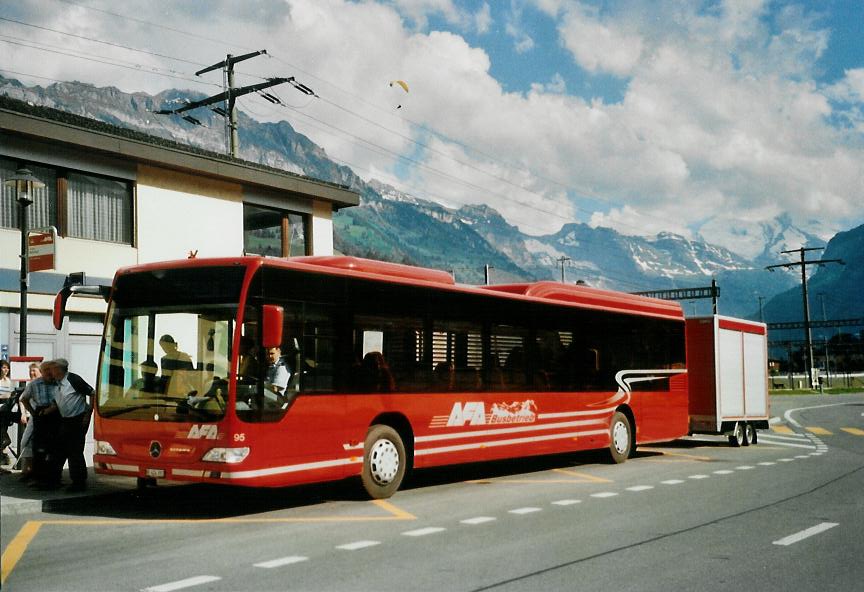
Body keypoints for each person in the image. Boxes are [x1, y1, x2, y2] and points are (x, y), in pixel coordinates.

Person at [48, 358, 94, 492]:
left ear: (59, 369)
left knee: (75, 451)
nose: (51, 372)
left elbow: (92, 393)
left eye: (52, 369)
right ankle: (54, 479)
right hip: (66, 419)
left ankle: (79, 483)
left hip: (78, 419)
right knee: (60, 449)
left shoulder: (73, 379)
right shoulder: (57, 382)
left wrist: (89, 413)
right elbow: (59, 401)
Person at [19, 361, 60, 486]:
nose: (49, 373)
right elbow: (23, 399)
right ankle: (38, 477)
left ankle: (53, 478)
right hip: (41, 413)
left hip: (55, 414)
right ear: (42, 372)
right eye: (46, 370)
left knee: (54, 447)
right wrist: (33, 413)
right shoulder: (34, 384)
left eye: (51, 370)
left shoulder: (58, 383)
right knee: (39, 447)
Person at [15, 363, 41, 480]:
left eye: (34, 370)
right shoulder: (31, 385)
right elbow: (22, 399)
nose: (31, 373)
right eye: (30, 371)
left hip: (43, 417)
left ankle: (31, 471)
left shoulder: (44, 383)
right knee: (25, 442)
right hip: (34, 417)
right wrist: (24, 413)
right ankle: (27, 469)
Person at [0, 359, 14, 458]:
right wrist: (4, 396)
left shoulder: (8, 381)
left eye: (7, 368)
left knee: (3, 429)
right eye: (4, 367)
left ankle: (3, 453)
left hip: (6, 408)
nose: (6, 370)